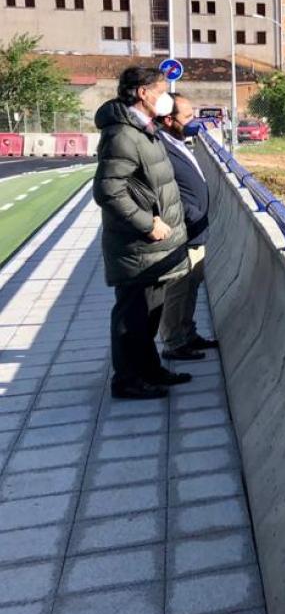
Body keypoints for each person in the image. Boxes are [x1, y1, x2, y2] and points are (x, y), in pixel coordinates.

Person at [93, 66, 192, 400]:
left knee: (148, 315)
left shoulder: (142, 129)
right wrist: (147, 223)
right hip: (136, 245)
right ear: (142, 93)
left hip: (152, 248)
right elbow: (108, 191)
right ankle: (127, 380)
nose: (166, 97)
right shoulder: (122, 134)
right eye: (161, 89)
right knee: (132, 317)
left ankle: (149, 369)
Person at [155, 93, 219, 360]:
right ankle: (173, 341)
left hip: (194, 228)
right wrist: (188, 215)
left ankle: (187, 332)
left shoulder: (176, 140)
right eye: (188, 117)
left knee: (191, 284)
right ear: (169, 120)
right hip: (183, 230)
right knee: (178, 288)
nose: (194, 122)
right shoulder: (160, 146)